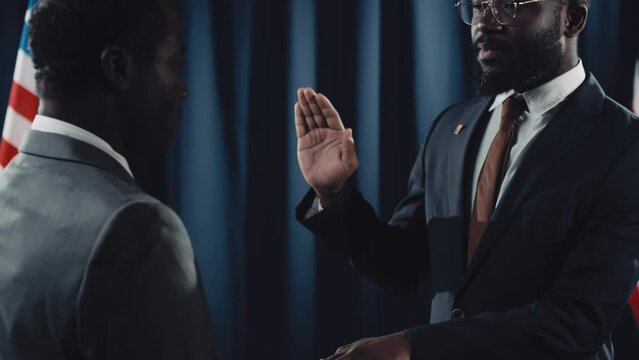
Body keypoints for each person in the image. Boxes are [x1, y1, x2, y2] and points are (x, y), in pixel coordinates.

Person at [295, 0, 639, 359]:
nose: (483, 22)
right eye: (476, 6)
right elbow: (402, 267)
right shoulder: (450, 128)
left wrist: (412, 347)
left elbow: (576, 321)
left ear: (572, 19)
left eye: (507, 5)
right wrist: (334, 193)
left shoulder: (625, 146)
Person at [0, 0, 218, 359]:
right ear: (118, 67)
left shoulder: (8, 191)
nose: (182, 89)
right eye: (175, 65)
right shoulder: (136, 229)